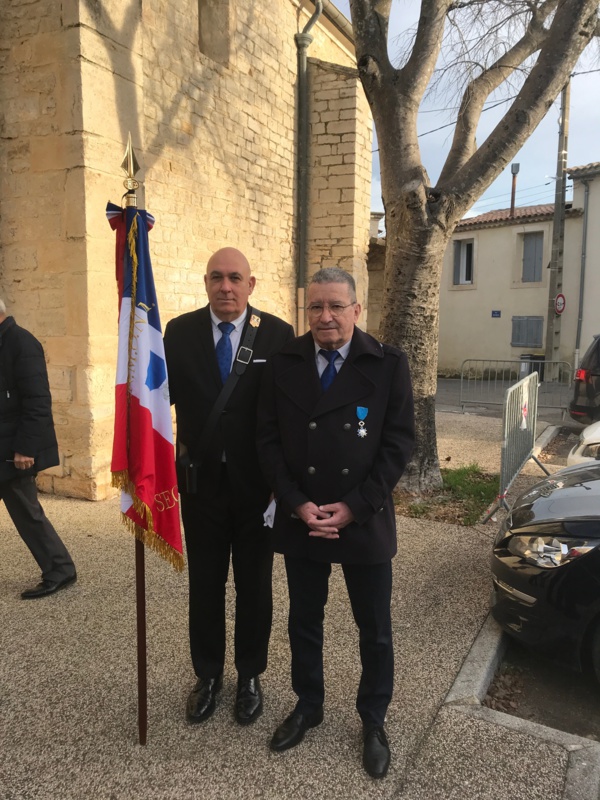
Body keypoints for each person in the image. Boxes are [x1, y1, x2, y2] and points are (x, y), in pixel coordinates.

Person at [257, 267, 415, 779]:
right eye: (315, 307)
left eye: (335, 307)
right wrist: (297, 502)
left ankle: (373, 719)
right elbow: (268, 441)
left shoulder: (388, 364)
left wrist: (355, 506)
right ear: (307, 311)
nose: (325, 317)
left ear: (356, 310)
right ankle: (309, 704)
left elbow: (397, 445)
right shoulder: (284, 363)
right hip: (303, 516)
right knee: (304, 621)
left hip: (363, 519)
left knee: (374, 629)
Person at [163, 247, 294, 727]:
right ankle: (209, 675)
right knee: (205, 582)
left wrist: (287, 483)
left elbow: (290, 414)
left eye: (235, 278)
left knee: (255, 586)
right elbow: (159, 402)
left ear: (251, 284)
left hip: (258, 490)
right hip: (200, 486)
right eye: (217, 277)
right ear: (205, 282)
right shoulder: (178, 333)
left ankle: (250, 675)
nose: (226, 287)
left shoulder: (278, 335)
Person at [0, 300, 77, 599]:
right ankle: (59, 567)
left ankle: (61, 569)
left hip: (13, 450)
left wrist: (25, 449)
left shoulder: (22, 343)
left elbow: (37, 402)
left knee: (27, 514)